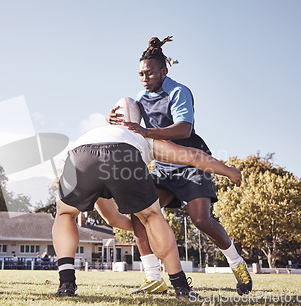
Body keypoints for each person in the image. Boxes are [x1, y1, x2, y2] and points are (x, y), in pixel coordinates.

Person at [53, 97, 241, 299]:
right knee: (152, 216)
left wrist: (141, 229)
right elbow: (193, 156)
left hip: (80, 156)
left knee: (65, 213)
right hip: (124, 153)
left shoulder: (94, 132)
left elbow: (112, 219)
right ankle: (181, 288)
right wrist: (228, 171)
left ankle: (66, 284)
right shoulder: (142, 136)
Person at [106, 36, 252, 296]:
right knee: (141, 212)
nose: (144, 78)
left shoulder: (179, 91)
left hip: (190, 163)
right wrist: (111, 116)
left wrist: (146, 130)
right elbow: (130, 122)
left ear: (164, 71)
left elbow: (184, 129)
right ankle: (153, 278)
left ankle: (236, 263)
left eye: (150, 73)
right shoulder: (140, 96)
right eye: (140, 74)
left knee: (201, 220)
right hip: (162, 167)